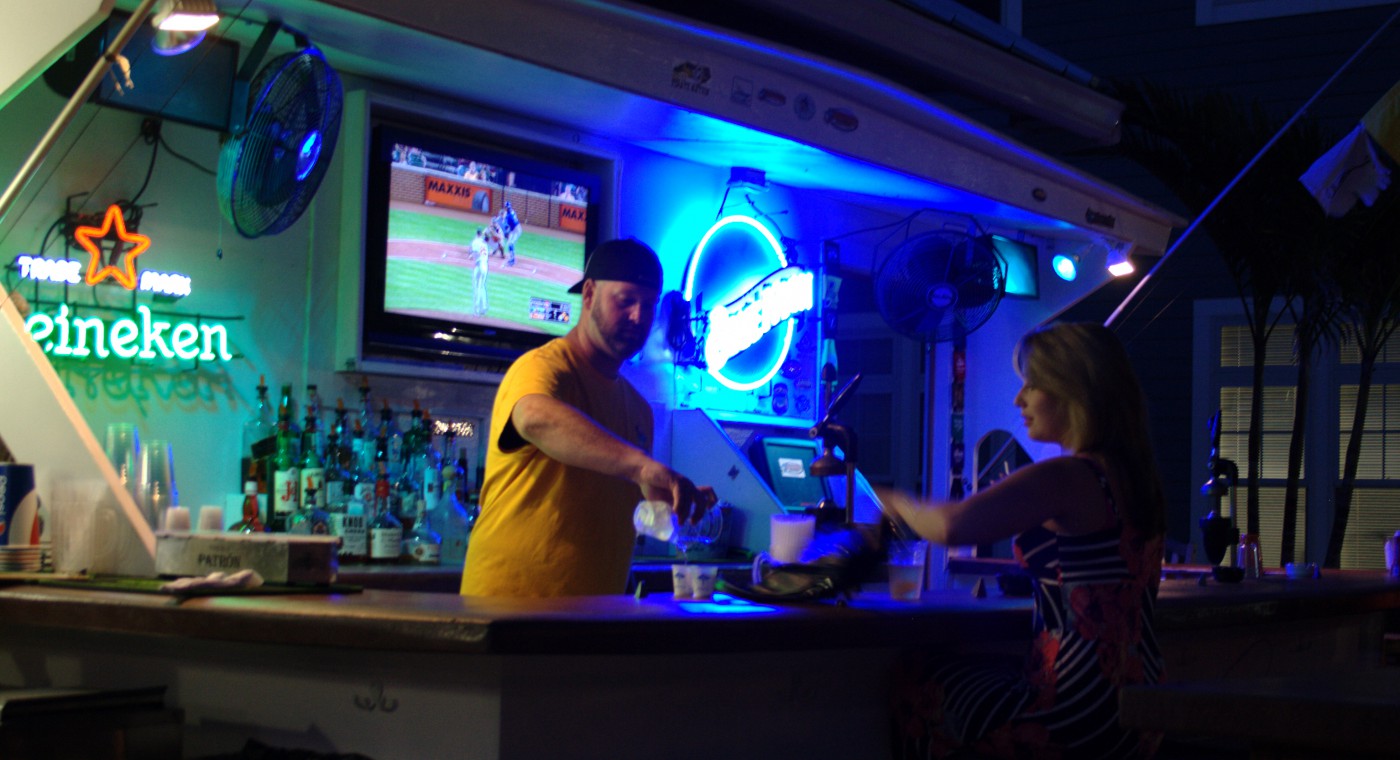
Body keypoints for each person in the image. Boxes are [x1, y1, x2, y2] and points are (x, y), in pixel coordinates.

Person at [882, 322, 1167, 759]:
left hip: (1076, 704)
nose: (1019, 400)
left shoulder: (1068, 476)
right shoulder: (1135, 477)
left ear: (1074, 391)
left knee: (917, 678)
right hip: (1140, 700)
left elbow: (951, 526)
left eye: (1032, 385)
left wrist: (891, 499)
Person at [461, 238, 717, 597]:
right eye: (625, 301)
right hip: (509, 610)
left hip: (596, 616)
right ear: (589, 294)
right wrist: (642, 467)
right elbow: (534, 417)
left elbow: (623, 503)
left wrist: (671, 505)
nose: (638, 317)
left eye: (648, 305)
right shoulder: (542, 367)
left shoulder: (639, 409)